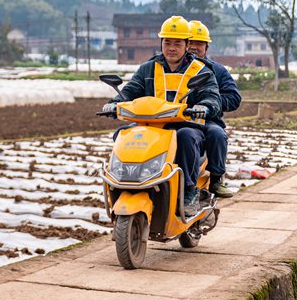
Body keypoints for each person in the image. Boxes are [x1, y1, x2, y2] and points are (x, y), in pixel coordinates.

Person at [103, 15, 222, 215]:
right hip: (152, 126)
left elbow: (213, 96)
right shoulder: (147, 68)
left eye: (177, 43)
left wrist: (204, 106)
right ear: (161, 43)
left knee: (185, 137)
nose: (172, 48)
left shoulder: (201, 71)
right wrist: (114, 104)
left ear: (186, 44)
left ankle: (189, 191)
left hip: (187, 125)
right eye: (167, 42)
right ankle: (124, 182)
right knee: (123, 134)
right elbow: (131, 90)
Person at [187, 20, 242, 198]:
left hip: (206, 119)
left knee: (217, 134)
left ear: (206, 46)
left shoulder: (216, 70)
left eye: (198, 43)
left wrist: (211, 105)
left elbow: (234, 98)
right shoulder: (166, 67)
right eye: (190, 42)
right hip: (172, 117)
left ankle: (216, 179)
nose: (193, 47)